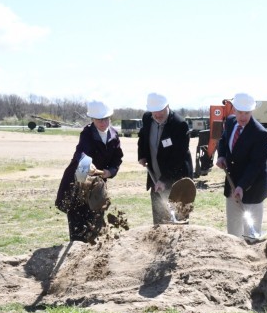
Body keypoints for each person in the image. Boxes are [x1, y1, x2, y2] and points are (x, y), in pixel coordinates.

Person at [55, 100, 123, 243]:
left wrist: (110, 172)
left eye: (105, 119)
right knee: (78, 220)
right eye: (99, 120)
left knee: (97, 218)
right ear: (92, 119)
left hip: (98, 185)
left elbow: (117, 159)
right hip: (79, 182)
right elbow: (80, 152)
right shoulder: (87, 133)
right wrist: (87, 162)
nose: (103, 123)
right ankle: (78, 247)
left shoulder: (114, 135)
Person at [215, 93, 267, 241]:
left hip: (252, 189)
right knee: (233, 233)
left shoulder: (260, 133)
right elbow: (223, 140)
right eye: (240, 112)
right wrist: (222, 155)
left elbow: (256, 165)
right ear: (234, 110)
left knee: (251, 235)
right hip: (232, 186)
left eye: (247, 113)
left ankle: (253, 260)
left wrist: (242, 186)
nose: (243, 117)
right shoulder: (231, 122)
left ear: (252, 112)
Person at [138, 93, 193, 224]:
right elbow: (142, 137)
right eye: (154, 112)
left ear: (167, 106)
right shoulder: (147, 118)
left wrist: (164, 179)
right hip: (155, 177)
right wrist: (142, 155)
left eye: (161, 111)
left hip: (177, 181)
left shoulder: (179, 125)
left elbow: (178, 158)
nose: (157, 115)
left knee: (179, 221)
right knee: (160, 220)